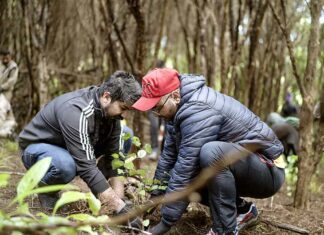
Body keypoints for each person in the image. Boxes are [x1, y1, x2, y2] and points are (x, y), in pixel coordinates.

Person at [132, 68, 285, 235]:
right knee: (187, 168)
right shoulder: (176, 111)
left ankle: (224, 230)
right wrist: (153, 199)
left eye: (157, 107)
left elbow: (186, 168)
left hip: (269, 169)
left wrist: (165, 224)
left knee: (209, 154)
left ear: (175, 96)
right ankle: (242, 211)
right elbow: (169, 158)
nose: (156, 113)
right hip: (245, 163)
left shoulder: (197, 110)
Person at [18, 71, 142, 223]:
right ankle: (47, 191)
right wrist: (118, 207)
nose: (125, 115)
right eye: (123, 108)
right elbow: (85, 165)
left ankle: (104, 192)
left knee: (125, 135)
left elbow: (115, 158)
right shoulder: (76, 110)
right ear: (106, 97)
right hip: (38, 149)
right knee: (66, 165)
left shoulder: (111, 113)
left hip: (71, 148)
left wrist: (120, 202)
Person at [0, 49, 19, 137]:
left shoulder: (13, 67)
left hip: (6, 92)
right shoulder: (0, 65)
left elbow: (12, 81)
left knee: (2, 108)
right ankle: (9, 127)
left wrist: (2, 87)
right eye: (3, 58)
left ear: (10, 57)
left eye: (7, 58)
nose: (5, 60)